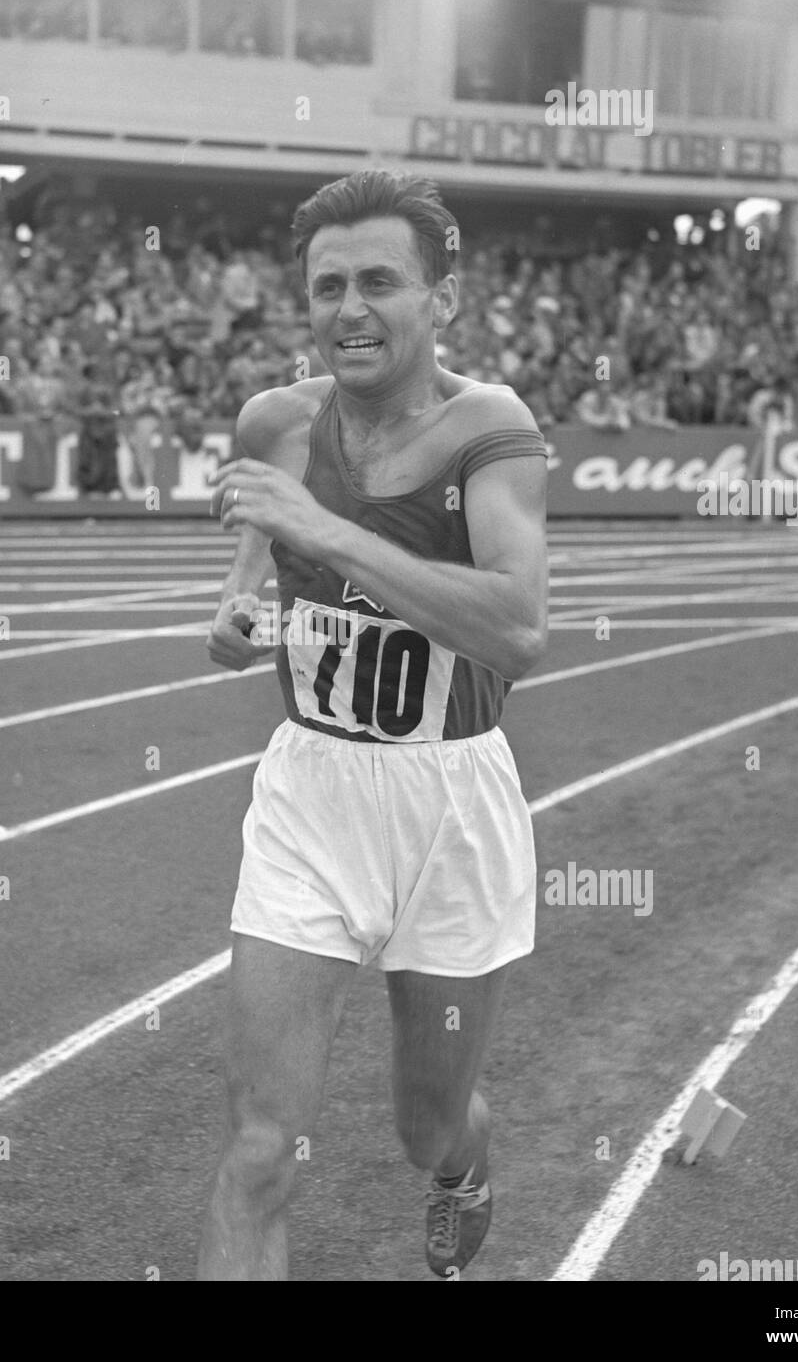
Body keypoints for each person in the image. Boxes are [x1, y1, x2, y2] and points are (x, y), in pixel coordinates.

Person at [200, 170, 548, 1281]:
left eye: (381, 282)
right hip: (309, 797)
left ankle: (463, 1164)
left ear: (440, 297)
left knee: (424, 1127)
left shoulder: (487, 429)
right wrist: (240, 604)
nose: (349, 308)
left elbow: (515, 627)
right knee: (261, 1146)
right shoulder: (274, 420)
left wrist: (333, 539)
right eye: (328, 285)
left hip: (447, 805)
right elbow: (258, 551)